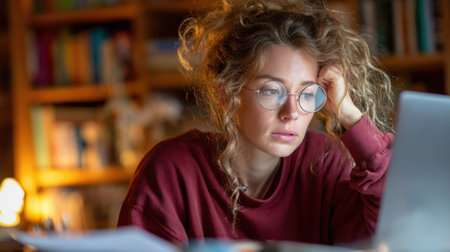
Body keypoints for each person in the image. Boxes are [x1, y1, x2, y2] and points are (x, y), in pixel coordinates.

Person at [118, 0, 395, 246]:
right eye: (272, 90)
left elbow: (394, 232)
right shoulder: (172, 170)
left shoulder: (323, 162)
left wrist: (348, 112)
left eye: (307, 94)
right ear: (226, 93)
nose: (291, 112)